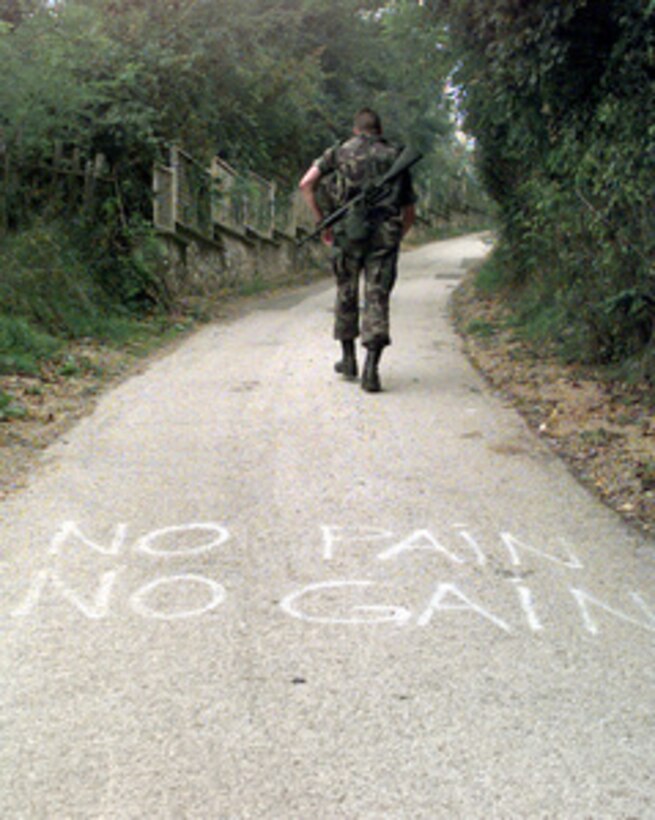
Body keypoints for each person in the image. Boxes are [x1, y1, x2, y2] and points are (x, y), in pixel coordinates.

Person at [299, 108, 416, 392]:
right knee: (377, 296)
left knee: (346, 291)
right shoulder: (396, 156)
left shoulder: (338, 152)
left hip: (347, 234)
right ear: (379, 129)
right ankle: (371, 369)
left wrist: (321, 221)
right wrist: (395, 235)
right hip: (384, 234)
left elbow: (307, 183)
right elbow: (409, 209)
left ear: (356, 130)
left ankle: (348, 359)